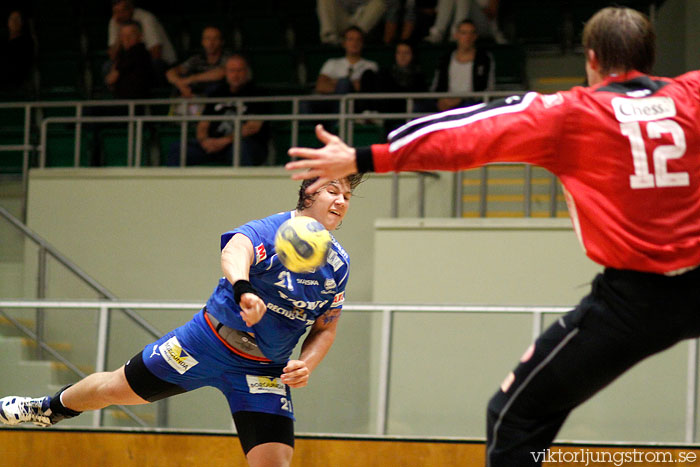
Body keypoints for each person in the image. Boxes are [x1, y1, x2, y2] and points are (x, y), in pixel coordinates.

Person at [285, 7, 700, 466]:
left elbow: (468, 133)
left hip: (633, 303)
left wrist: (367, 154)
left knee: (516, 417)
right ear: (651, 56)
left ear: (592, 58)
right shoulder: (693, 94)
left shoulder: (573, 112)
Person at [0, 173, 364, 467]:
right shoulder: (273, 229)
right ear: (309, 191)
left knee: (274, 463)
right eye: (332, 190)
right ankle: (46, 408)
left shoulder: (338, 265)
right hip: (204, 344)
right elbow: (235, 249)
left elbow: (325, 328)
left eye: (347, 195)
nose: (340, 200)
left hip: (265, 372)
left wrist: (307, 364)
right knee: (114, 390)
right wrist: (242, 290)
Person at [167, 54, 270, 167]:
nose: (235, 75)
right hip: (212, 144)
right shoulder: (217, 93)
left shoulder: (258, 94)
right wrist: (204, 141)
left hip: (241, 144)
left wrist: (223, 141)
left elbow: (252, 127)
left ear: (247, 72)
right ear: (225, 72)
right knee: (177, 148)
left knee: (240, 148)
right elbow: (203, 125)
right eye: (232, 70)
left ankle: (241, 184)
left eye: (239, 70)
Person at [431, 18, 495, 111]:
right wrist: (441, 100)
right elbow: (436, 87)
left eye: (471, 33)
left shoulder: (484, 58)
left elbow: (489, 88)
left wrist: (460, 100)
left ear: (475, 36)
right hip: (446, 102)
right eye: (464, 33)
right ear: (456, 35)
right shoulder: (445, 59)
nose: (467, 37)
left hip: (472, 103)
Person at [165, 26, 230, 115]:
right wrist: (180, 84)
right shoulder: (197, 59)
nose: (211, 43)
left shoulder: (228, 58)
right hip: (194, 100)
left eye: (215, 39)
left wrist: (191, 79)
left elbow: (221, 73)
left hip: (216, 102)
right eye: (207, 39)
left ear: (222, 42)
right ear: (203, 42)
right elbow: (170, 73)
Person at [108, 0, 176, 82]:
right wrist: (119, 32)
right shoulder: (115, 20)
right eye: (116, 11)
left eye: (123, 10)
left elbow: (156, 53)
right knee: (108, 67)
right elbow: (113, 56)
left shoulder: (146, 18)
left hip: (163, 63)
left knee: (149, 65)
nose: (120, 15)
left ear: (131, 8)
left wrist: (126, 65)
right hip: (130, 62)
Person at [105, 20, 153, 99]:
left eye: (131, 35)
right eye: (123, 35)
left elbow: (110, 80)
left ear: (140, 36)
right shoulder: (123, 54)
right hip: (122, 100)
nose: (126, 39)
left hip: (134, 101)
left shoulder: (138, 52)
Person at [425, 0, 505, 44]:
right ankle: (437, 33)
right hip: (455, 21)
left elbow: (492, 13)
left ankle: (457, 32)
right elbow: (437, 11)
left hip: (484, 26)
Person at [316, 0, 387, 45]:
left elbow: (391, 21)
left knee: (379, 3)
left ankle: (355, 39)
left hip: (361, 24)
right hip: (340, 20)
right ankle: (329, 37)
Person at [0, 9, 34, 96]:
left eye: (17, 19)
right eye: (12, 19)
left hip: (16, 81)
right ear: (7, 22)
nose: (14, 22)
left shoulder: (26, 42)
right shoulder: (3, 40)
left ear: (22, 22)